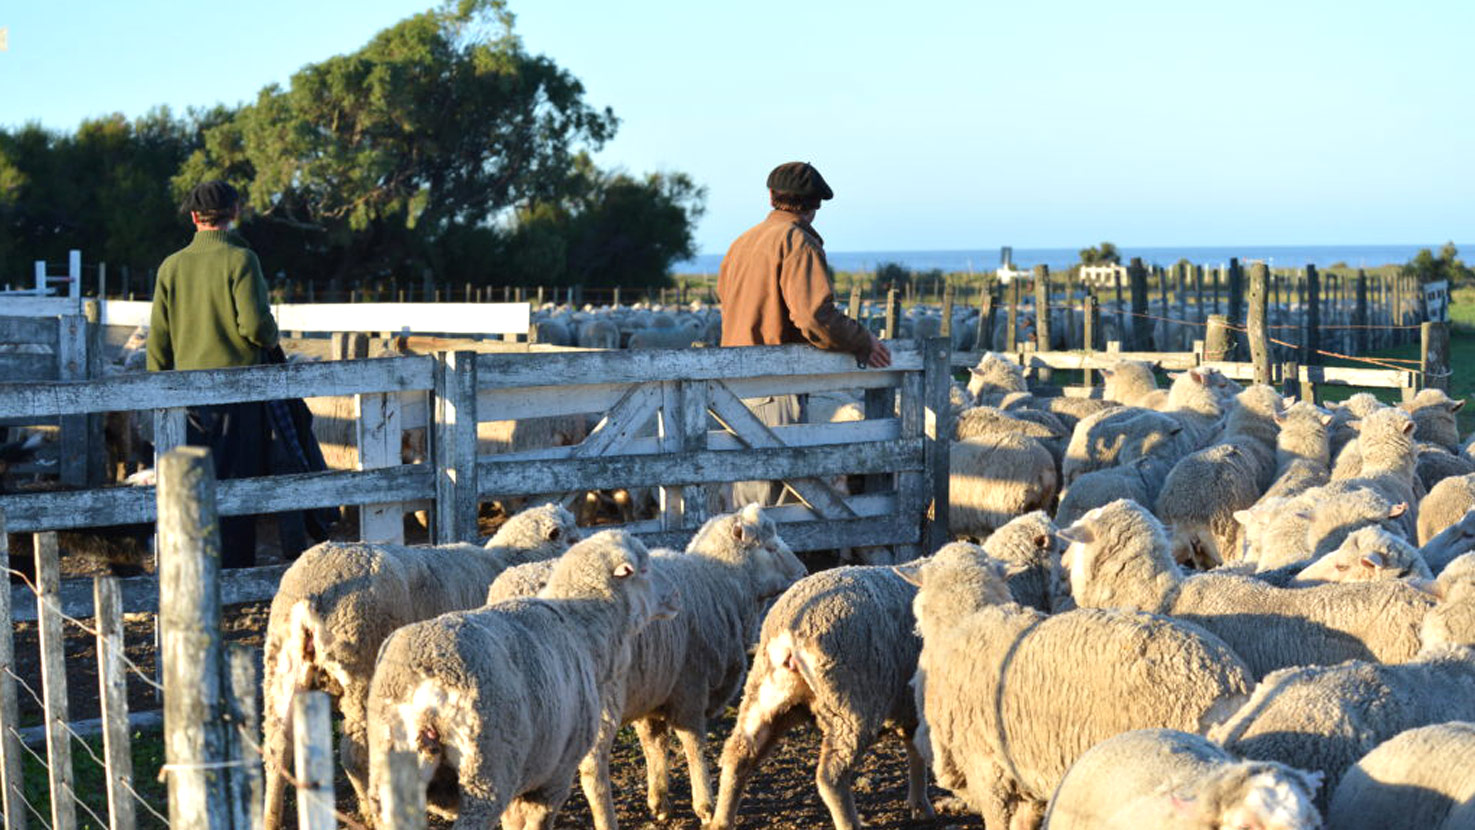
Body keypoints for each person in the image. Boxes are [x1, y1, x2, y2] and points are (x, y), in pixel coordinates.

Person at [717, 161, 891, 505]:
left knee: (743, 497)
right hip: (775, 386)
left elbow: (725, 297)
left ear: (771, 197)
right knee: (775, 504)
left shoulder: (742, 242)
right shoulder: (797, 242)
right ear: (816, 205)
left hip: (732, 388)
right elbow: (814, 315)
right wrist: (863, 340)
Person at [146, 180, 280, 567]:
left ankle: (193, 569)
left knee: (192, 485)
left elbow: (159, 338)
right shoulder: (241, 260)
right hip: (239, 395)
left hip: (186, 398)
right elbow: (255, 325)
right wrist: (272, 335)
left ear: (193, 217)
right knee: (239, 486)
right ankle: (234, 574)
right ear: (235, 213)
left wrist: (159, 393)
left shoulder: (171, 266)